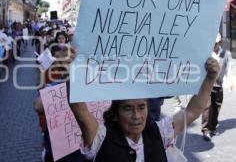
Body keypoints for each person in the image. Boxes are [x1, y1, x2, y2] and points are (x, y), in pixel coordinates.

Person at [68, 54, 219, 161]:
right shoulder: (100, 138)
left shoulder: (160, 132)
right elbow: (79, 110)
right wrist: (71, 70)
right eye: (127, 109)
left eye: (141, 107)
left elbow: (192, 111)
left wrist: (210, 78)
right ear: (115, 113)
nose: (136, 115)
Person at [201, 34, 231, 141]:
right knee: (207, 107)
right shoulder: (206, 53)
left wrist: (229, 81)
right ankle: (205, 130)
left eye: (216, 43)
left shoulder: (225, 54)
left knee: (216, 106)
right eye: (212, 43)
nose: (214, 45)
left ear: (220, 43)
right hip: (207, 84)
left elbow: (227, 68)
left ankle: (212, 127)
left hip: (219, 84)